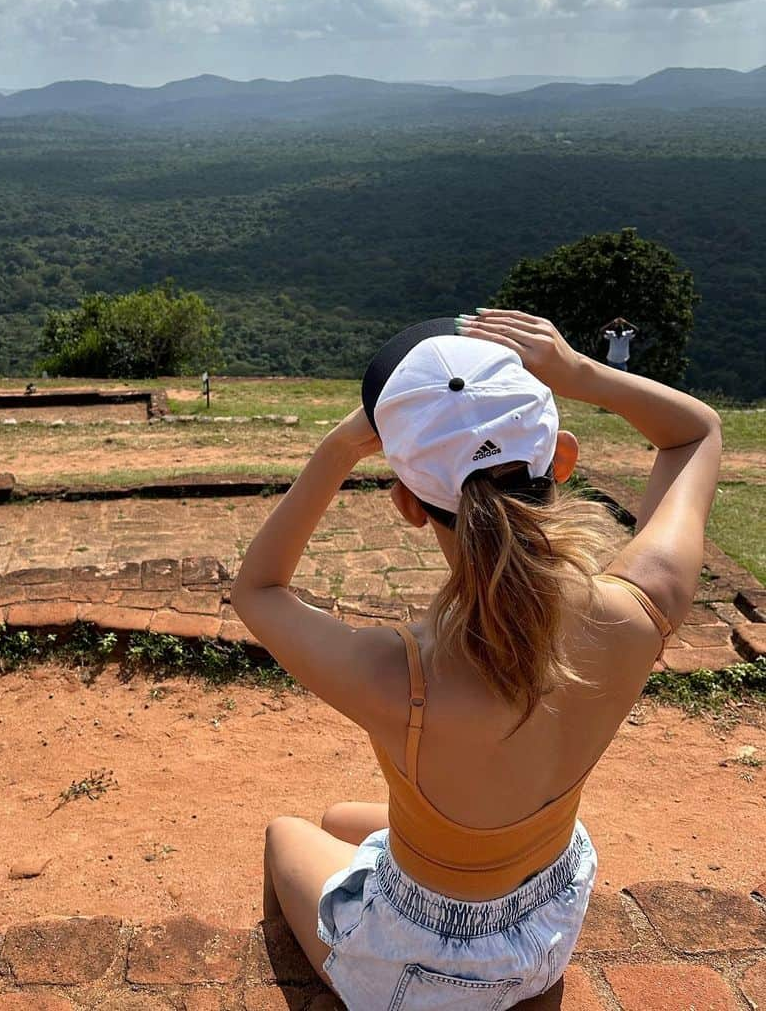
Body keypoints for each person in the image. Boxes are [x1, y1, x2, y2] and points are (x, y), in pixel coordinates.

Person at [232, 310, 721, 1009]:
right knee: (345, 817)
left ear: (405, 503)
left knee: (291, 833)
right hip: (550, 920)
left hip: (421, 967)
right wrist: (580, 371)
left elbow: (257, 590)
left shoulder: (400, 676)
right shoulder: (645, 602)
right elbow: (696, 432)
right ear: (564, 458)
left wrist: (339, 450)